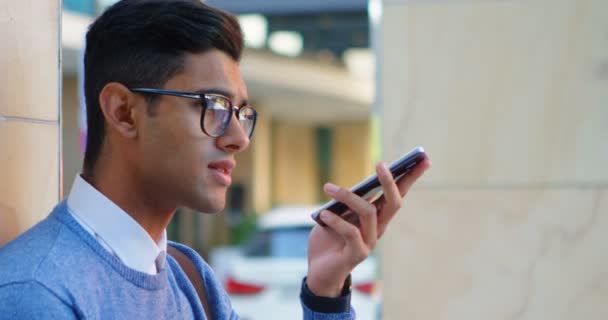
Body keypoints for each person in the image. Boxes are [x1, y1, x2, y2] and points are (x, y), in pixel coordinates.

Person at [0, 0, 430, 319]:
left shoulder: (191, 278)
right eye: (213, 105)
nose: (239, 138)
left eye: (241, 112)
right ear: (123, 112)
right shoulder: (37, 291)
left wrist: (325, 290)